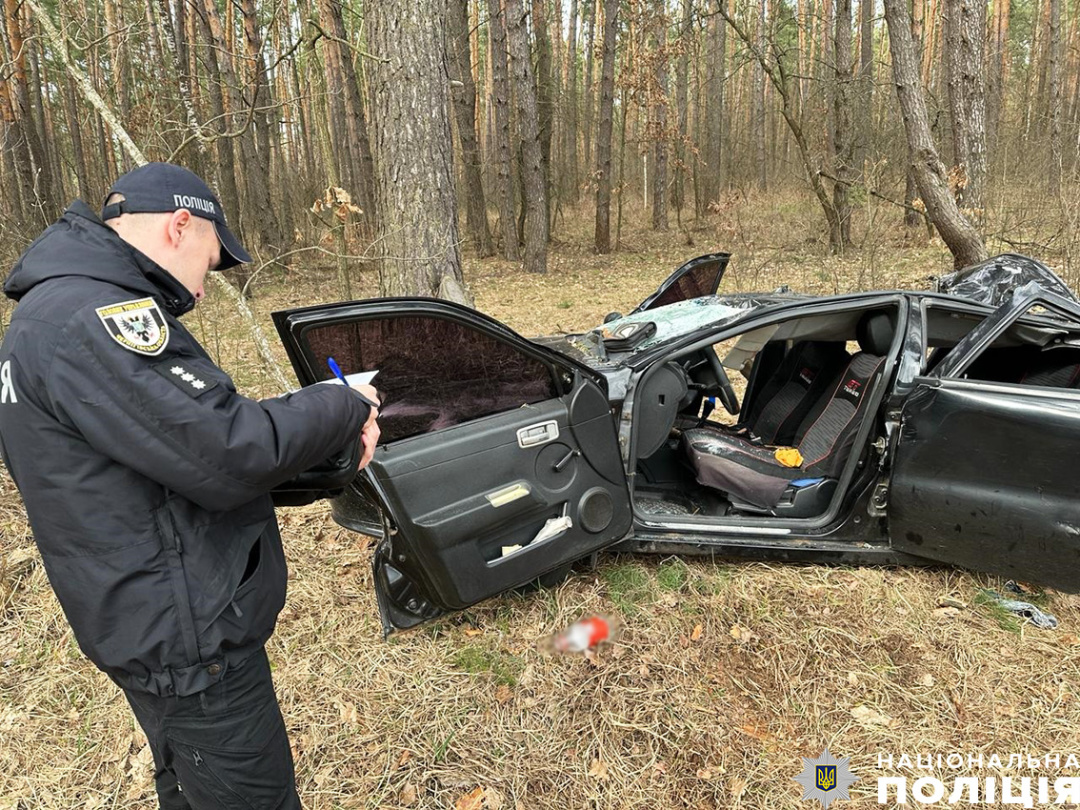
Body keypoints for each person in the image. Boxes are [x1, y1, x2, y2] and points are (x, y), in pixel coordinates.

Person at [0, 162, 380, 809]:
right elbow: (229, 450)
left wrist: (328, 462)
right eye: (209, 261)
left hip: (151, 632)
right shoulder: (95, 318)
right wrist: (343, 403)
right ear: (180, 225)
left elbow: (171, 464)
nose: (202, 291)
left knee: (190, 788)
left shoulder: (47, 318)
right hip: (191, 652)